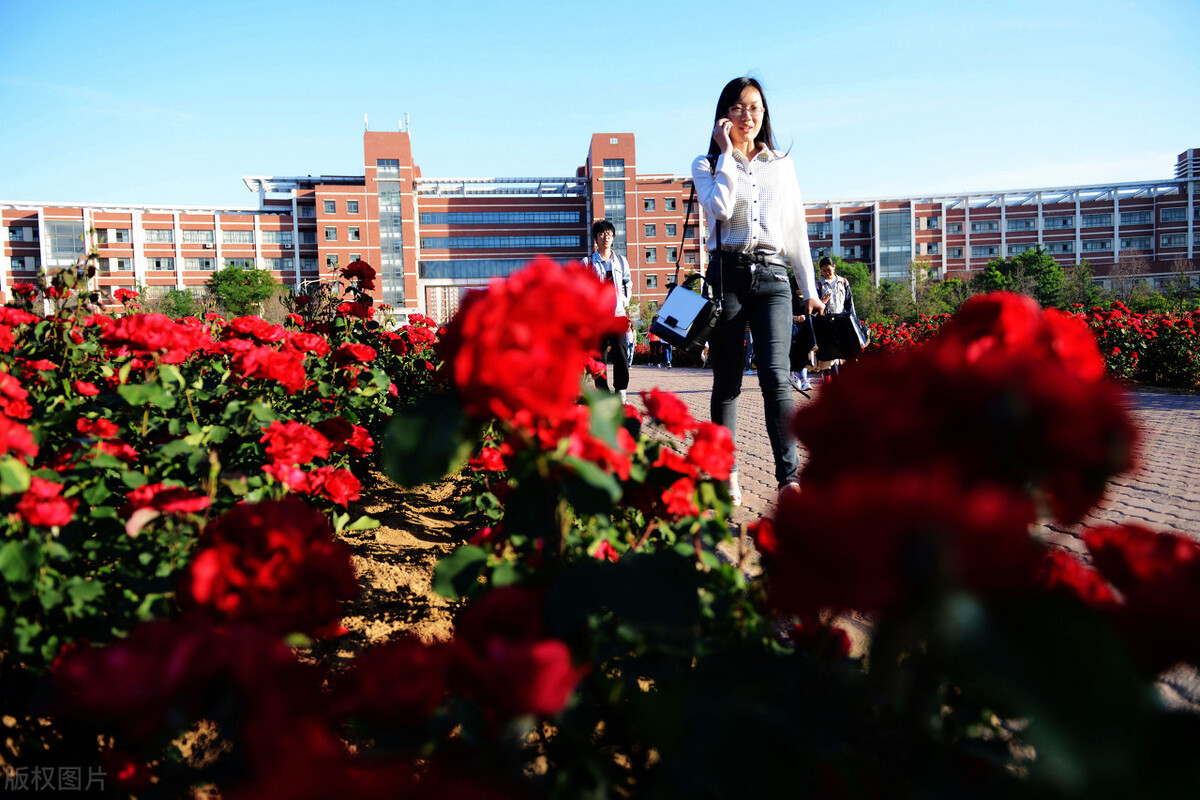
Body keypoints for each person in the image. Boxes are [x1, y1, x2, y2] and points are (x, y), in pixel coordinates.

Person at [692, 76, 824, 505]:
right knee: (727, 380)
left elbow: (796, 228)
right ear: (723, 115)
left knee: (776, 377)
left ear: (763, 114)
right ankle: (726, 470)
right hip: (726, 275)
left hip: (772, 275)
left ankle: (788, 479)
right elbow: (721, 209)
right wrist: (727, 155)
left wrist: (810, 287)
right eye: (737, 108)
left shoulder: (780, 164)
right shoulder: (705, 165)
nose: (746, 116)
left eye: (754, 108)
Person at [583, 220, 632, 402]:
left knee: (621, 353)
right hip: (597, 318)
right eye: (602, 234)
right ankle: (603, 393)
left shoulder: (621, 261)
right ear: (596, 238)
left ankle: (620, 390)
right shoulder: (587, 262)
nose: (606, 237)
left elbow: (628, 283)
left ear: (613, 238)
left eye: (609, 234)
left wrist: (624, 301)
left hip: (617, 315)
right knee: (599, 357)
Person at [814, 255, 852, 382]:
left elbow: (849, 303)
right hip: (827, 322)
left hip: (842, 320)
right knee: (829, 353)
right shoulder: (819, 285)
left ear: (834, 267)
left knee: (842, 352)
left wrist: (851, 320)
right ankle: (828, 376)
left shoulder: (844, 282)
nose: (827, 272)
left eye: (829, 269)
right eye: (824, 270)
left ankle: (842, 379)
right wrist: (822, 303)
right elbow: (815, 306)